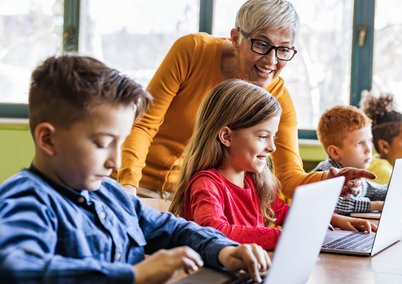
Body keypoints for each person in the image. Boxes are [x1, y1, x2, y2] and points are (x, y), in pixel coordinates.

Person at [0, 55, 270, 283]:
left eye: (121, 143)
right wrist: (133, 274)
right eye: (103, 143)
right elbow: (18, 269)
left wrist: (224, 251)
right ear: (48, 139)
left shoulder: (110, 193)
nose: (116, 162)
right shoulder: (26, 200)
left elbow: (174, 229)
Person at [116, 0, 373, 200]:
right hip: (140, 187)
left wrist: (329, 179)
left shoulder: (278, 98)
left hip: (196, 199)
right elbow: (143, 124)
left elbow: (289, 177)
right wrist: (128, 186)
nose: (271, 61)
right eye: (261, 44)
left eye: (283, 49)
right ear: (236, 38)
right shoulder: (192, 51)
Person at [169, 79, 377, 250]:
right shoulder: (206, 184)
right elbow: (214, 231)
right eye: (262, 136)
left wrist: (333, 219)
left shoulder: (252, 180)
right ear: (226, 136)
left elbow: (285, 212)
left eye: (273, 137)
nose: (272, 147)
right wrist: (283, 237)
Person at [313, 105, 402, 215]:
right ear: (335, 152)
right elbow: (334, 204)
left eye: (369, 141)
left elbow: (376, 191)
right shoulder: (324, 174)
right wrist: (377, 206)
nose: (368, 149)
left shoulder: (357, 177)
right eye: (360, 143)